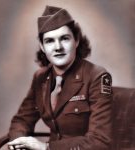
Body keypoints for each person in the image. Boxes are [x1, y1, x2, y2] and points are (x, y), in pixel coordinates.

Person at [8, 5, 112, 150]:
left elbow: (100, 141)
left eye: (64, 38)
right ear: (42, 47)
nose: (58, 47)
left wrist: (46, 147)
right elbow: (21, 120)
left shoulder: (96, 76)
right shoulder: (40, 77)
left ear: (76, 41)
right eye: (49, 41)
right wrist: (19, 142)